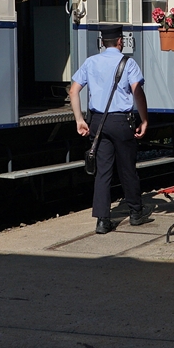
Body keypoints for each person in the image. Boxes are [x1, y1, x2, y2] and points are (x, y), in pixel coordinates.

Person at [70, 25, 153, 234]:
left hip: (98, 122)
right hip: (121, 122)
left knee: (103, 171)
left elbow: (73, 91)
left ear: (102, 42)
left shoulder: (90, 62)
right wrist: (144, 119)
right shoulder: (128, 63)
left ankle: (102, 220)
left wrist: (79, 119)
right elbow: (137, 92)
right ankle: (135, 213)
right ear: (120, 41)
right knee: (127, 168)